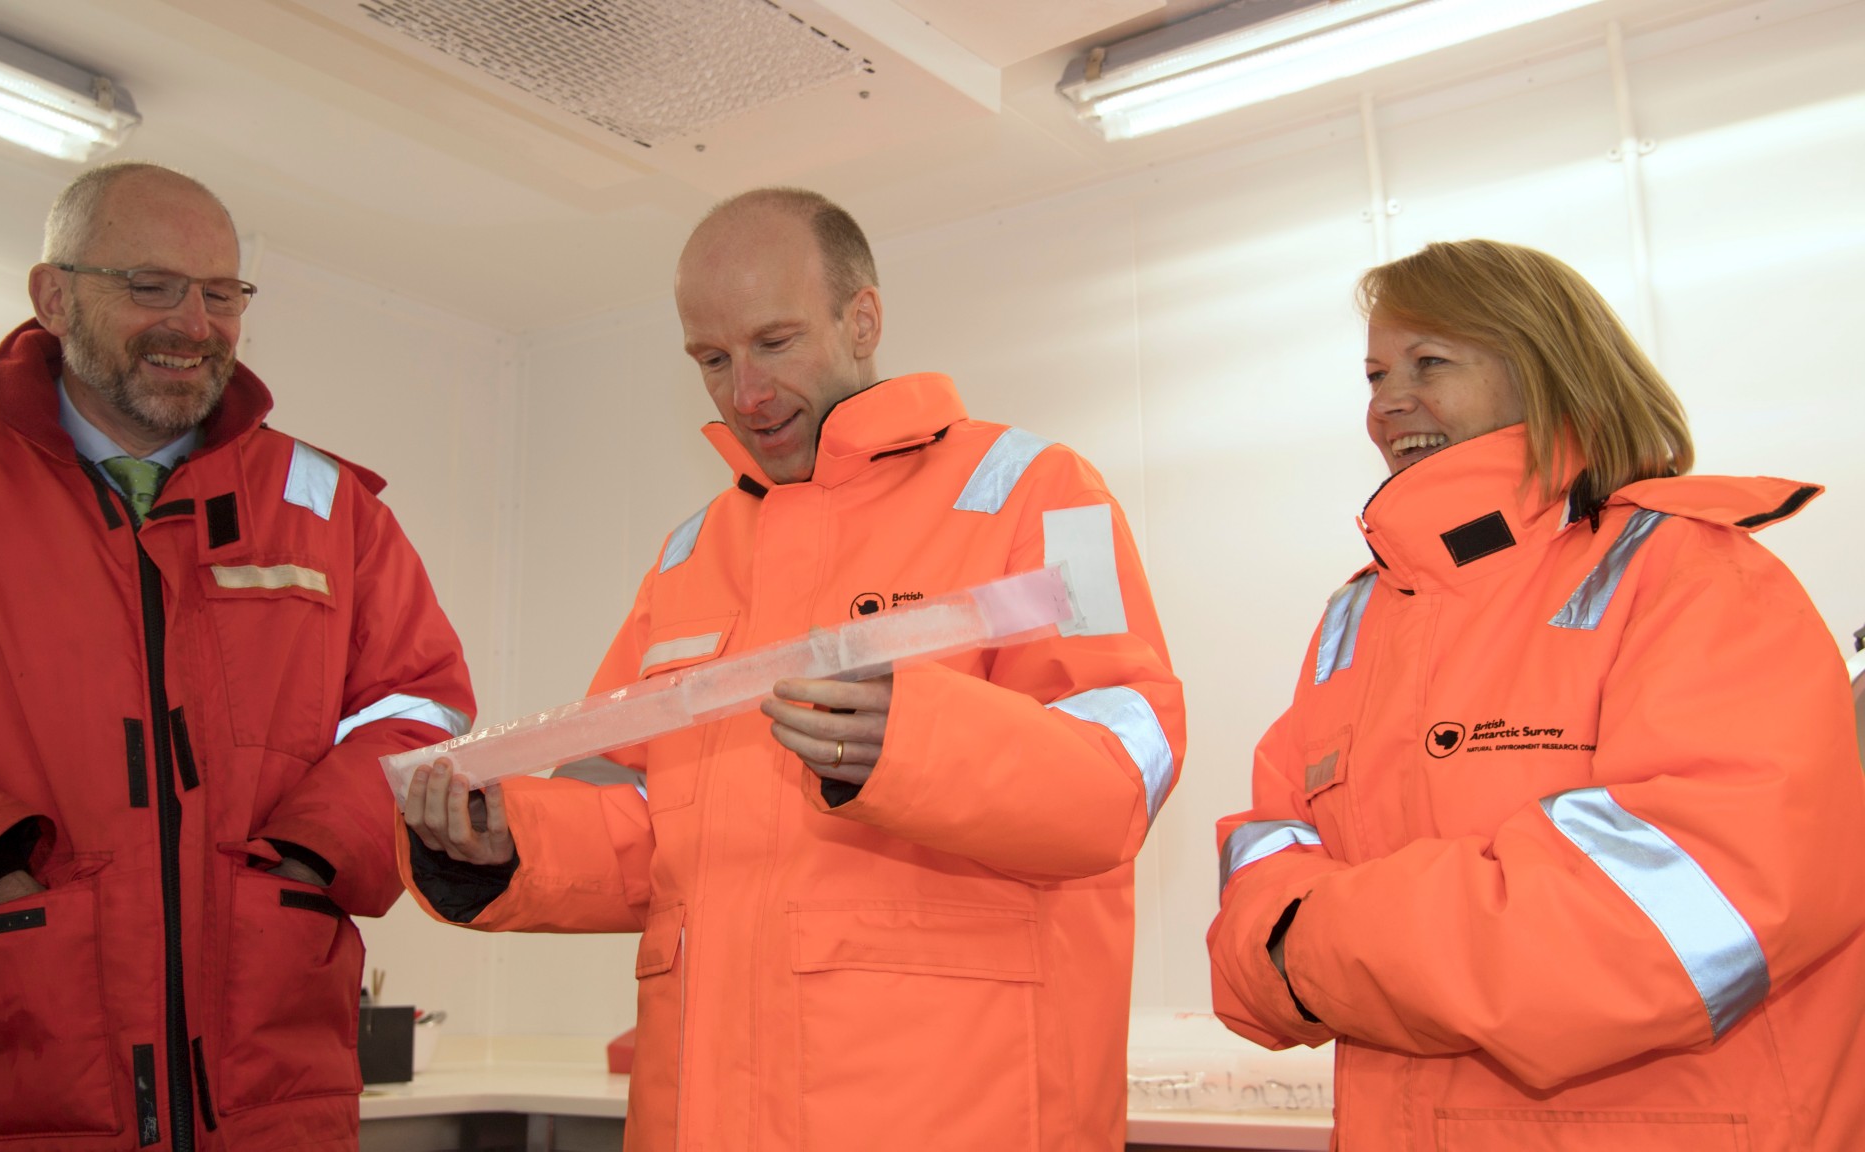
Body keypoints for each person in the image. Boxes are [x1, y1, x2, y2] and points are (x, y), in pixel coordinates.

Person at [399, 188, 1185, 1151]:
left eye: (774, 343)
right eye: (712, 360)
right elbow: (649, 827)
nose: (746, 394)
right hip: (702, 1109)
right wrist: (504, 839)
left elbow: (1126, 765)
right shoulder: (687, 558)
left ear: (864, 318)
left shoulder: (1045, 492)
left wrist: (912, 741)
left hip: (953, 1108)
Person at [0, 162, 475, 1151]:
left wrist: (305, 857)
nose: (193, 324)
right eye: (151, 286)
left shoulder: (331, 510)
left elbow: (424, 711)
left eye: (220, 294)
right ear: (52, 295)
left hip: (270, 1103)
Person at [1207, 239, 1865, 1149]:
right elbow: (1260, 868)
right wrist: (1301, 942)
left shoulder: (1693, 574)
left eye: (1429, 362)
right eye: (1373, 374)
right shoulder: (1356, 619)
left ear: (1548, 366)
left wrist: (1310, 945)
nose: (1388, 401)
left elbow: (1668, 928)